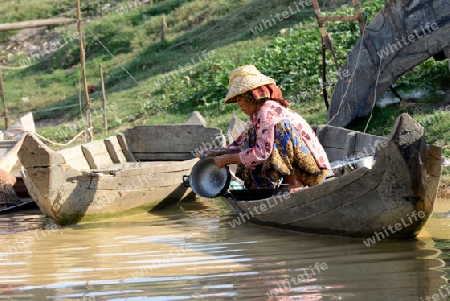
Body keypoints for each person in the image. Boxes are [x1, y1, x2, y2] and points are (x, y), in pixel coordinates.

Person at [204, 65, 331, 190]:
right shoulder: (255, 116)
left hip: (312, 171)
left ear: (251, 96)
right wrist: (218, 153)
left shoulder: (268, 111)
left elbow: (261, 153)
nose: (239, 105)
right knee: (250, 134)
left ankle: (294, 181)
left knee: (281, 128)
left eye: (239, 99)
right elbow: (241, 143)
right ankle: (258, 187)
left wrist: (228, 159)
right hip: (304, 168)